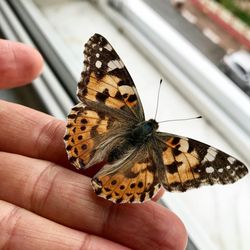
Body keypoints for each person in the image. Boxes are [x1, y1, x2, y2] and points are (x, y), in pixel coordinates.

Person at [0, 39, 187, 250]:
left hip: (98, 131)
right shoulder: (173, 146)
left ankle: (88, 157)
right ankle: (109, 181)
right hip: (132, 165)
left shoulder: (129, 102)